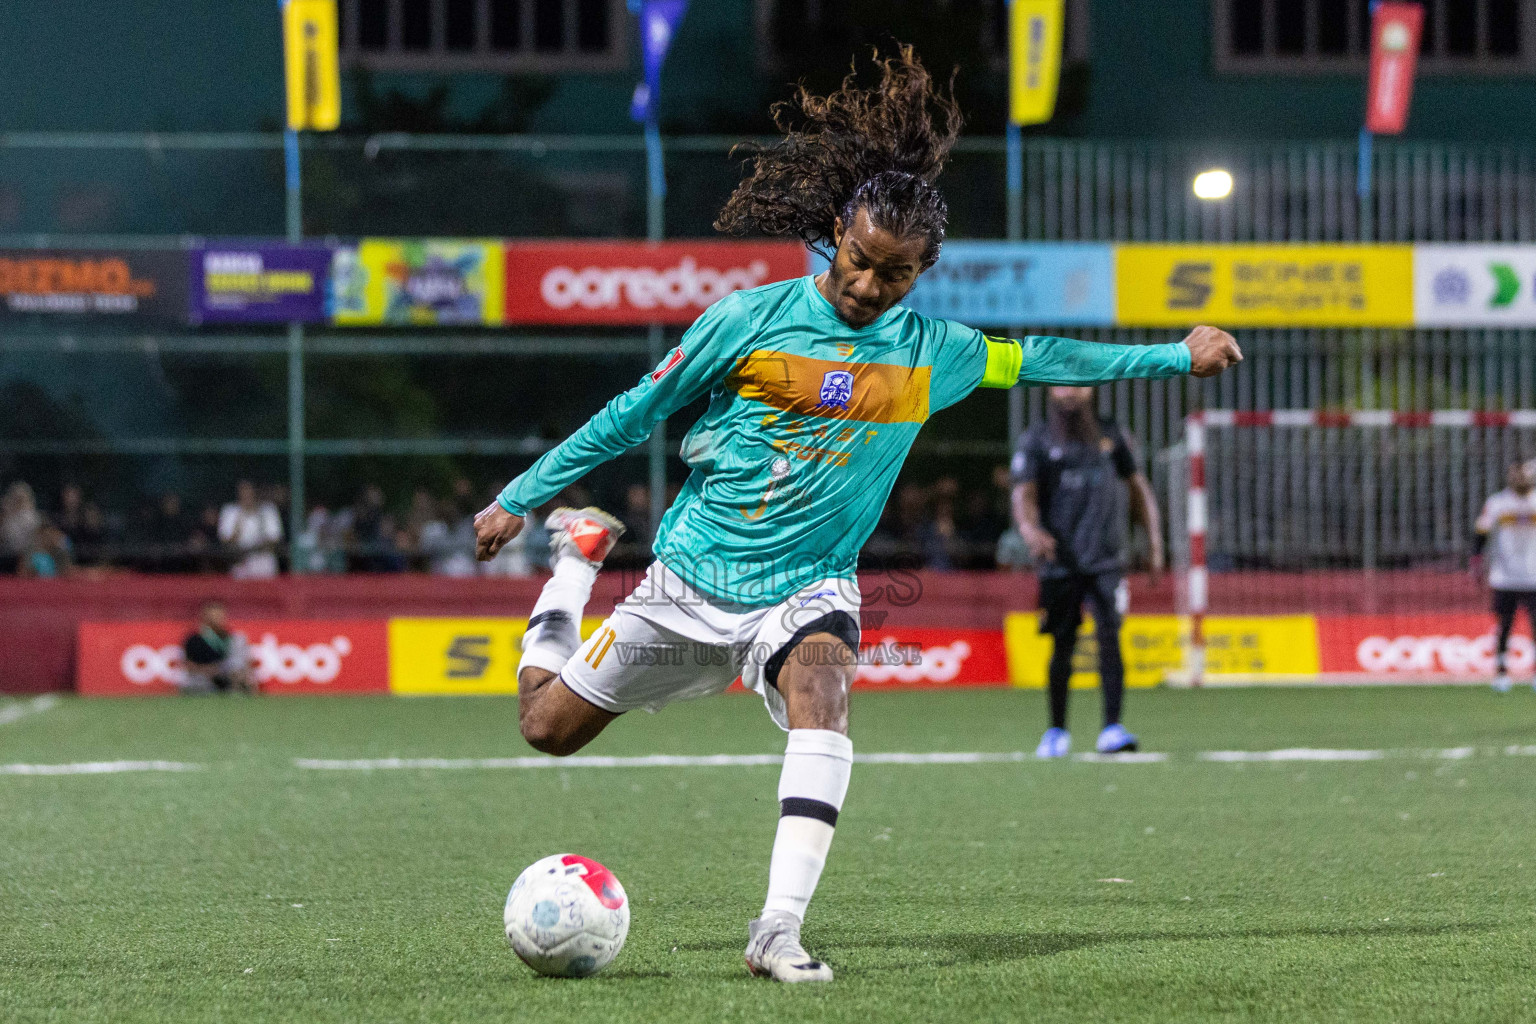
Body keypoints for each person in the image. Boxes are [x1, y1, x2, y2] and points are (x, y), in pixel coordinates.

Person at [471, 46, 1241, 984]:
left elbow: (1043, 357)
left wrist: (1172, 355)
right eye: (861, 261)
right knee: (544, 728)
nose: (869, 287)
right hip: (686, 580)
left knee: (824, 695)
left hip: (807, 586)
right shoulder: (745, 320)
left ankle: (777, 930)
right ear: (836, 230)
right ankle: (577, 566)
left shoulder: (937, 353)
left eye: (897, 275)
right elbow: (633, 413)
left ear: (926, 271)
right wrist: (522, 497)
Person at [1012, 386, 1164, 759]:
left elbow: (1138, 487)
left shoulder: (1112, 435)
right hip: (1060, 562)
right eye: (1061, 385)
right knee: (1062, 645)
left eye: (1077, 385)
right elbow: (1023, 494)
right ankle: (1056, 731)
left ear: (1091, 390)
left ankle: (1112, 728)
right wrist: (1031, 530)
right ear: (1049, 390)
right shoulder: (1037, 439)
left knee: (1111, 639)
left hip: (1107, 560)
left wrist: (1155, 543)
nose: (1069, 393)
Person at [1473, 459, 1536, 692]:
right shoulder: (1498, 502)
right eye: (1516, 474)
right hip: (1504, 577)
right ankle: (1500, 673)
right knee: (1504, 626)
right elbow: (1481, 532)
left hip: (1533, 577)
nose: (1520, 479)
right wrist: (1476, 561)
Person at [180, 600, 254, 694]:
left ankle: (239, 686)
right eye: (213, 615)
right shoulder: (194, 640)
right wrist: (212, 670)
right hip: (205, 678)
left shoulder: (230, 638)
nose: (217, 618)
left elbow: (241, 662)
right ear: (205, 617)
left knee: (239, 641)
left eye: (219, 615)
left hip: (227, 675)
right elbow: (189, 666)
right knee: (197, 684)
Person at [218, 480, 283, 579]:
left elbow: (275, 538)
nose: (247, 495)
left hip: (263, 560)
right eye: (243, 492)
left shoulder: (268, 510)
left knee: (266, 592)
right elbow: (225, 539)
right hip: (240, 560)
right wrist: (241, 516)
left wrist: (256, 548)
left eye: (249, 492)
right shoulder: (230, 510)